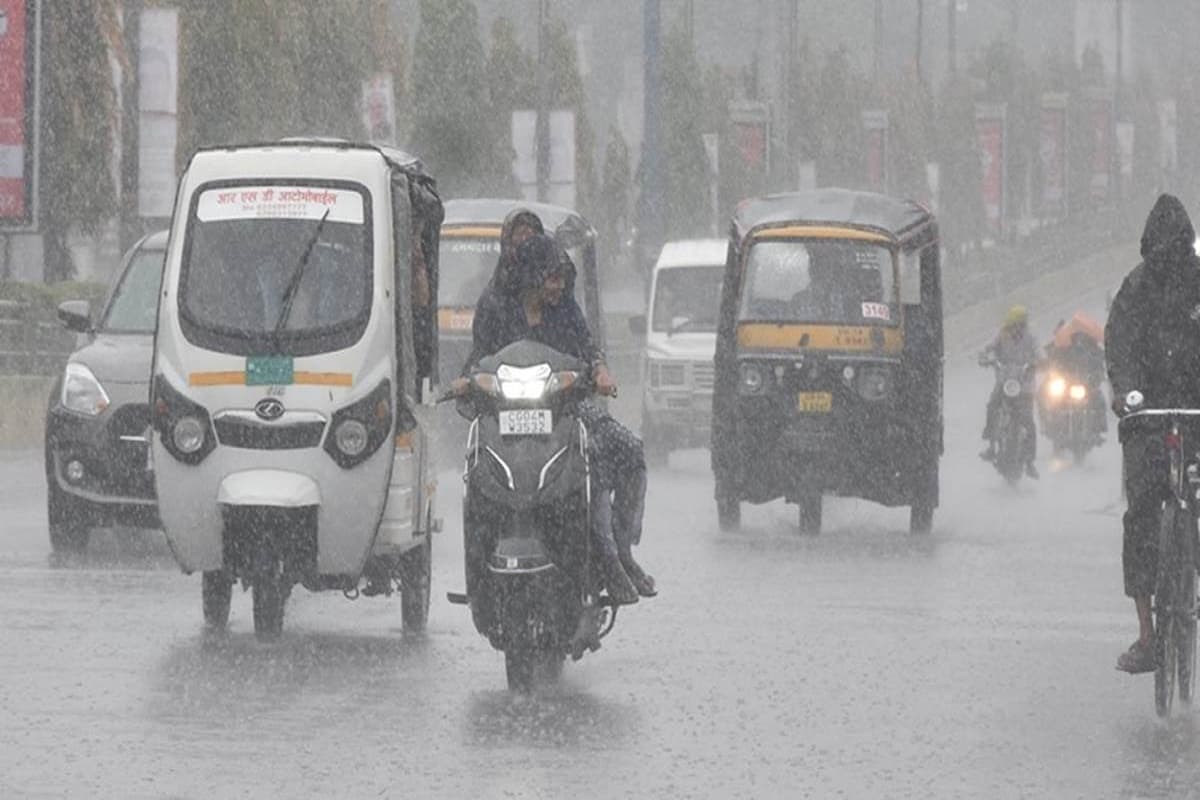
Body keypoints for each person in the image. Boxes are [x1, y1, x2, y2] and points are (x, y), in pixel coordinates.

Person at [453, 233, 656, 604]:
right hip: (504, 417)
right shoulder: (497, 307)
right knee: (477, 472)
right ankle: (481, 570)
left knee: (625, 452)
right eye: (551, 278)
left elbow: (589, 349)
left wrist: (599, 371)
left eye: (561, 278)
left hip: (566, 410)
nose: (558, 286)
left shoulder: (565, 308)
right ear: (530, 275)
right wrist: (467, 381)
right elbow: (478, 356)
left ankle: (617, 553)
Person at [1106, 193, 1200, 674]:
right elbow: (1118, 344)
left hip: (1196, 412)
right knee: (1141, 515)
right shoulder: (1136, 290)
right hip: (1147, 417)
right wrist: (1124, 393)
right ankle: (1148, 634)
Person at [979, 304, 1040, 478]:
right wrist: (984, 356)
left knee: (1028, 422)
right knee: (992, 405)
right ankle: (991, 444)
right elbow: (988, 347)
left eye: (1021, 324)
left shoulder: (1031, 338)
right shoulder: (1002, 336)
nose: (1018, 328)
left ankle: (1029, 461)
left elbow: (1040, 352)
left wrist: (1039, 361)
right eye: (1015, 325)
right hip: (1004, 383)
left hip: (1025, 387)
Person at [1043, 314, 1108, 442]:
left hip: (1085, 385)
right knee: (1050, 399)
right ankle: (1050, 425)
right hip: (1066, 385)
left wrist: (1097, 377)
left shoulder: (1093, 350)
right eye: (1076, 336)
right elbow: (1053, 362)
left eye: (1082, 336)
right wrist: (1054, 375)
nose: (1079, 339)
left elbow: (1099, 364)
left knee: (1099, 401)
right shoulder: (1060, 348)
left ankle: (1099, 429)